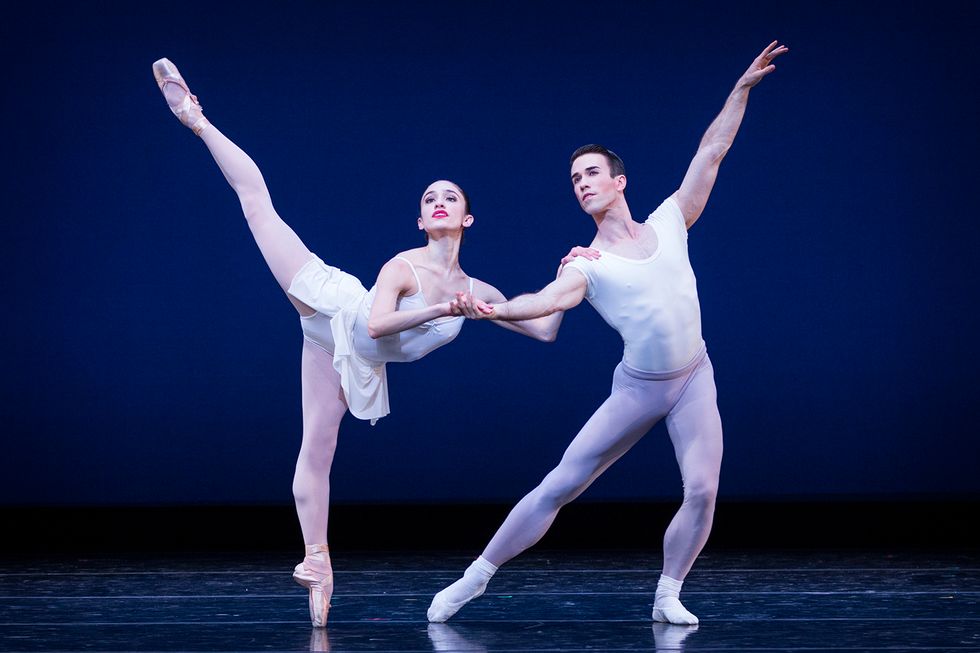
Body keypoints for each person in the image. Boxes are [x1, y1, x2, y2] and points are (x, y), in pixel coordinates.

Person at [151, 59, 564, 628]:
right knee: (257, 203)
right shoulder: (404, 265)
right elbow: (374, 325)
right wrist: (443, 308)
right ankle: (196, 119)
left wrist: (577, 277)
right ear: (421, 221)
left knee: (319, 452)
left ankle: (319, 566)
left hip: (346, 360)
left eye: (450, 198)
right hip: (334, 307)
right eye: (428, 199)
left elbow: (543, 328)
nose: (439, 202)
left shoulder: (478, 290)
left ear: (468, 219)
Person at [428, 41, 789, 625]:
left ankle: (668, 593)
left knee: (702, 490)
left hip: (695, 376)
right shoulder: (586, 264)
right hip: (639, 388)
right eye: (574, 179)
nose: (582, 183)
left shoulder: (672, 220)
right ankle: (472, 581)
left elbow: (713, 150)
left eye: (592, 173)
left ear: (620, 181)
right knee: (559, 486)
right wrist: (494, 312)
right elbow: (547, 301)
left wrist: (740, 89)